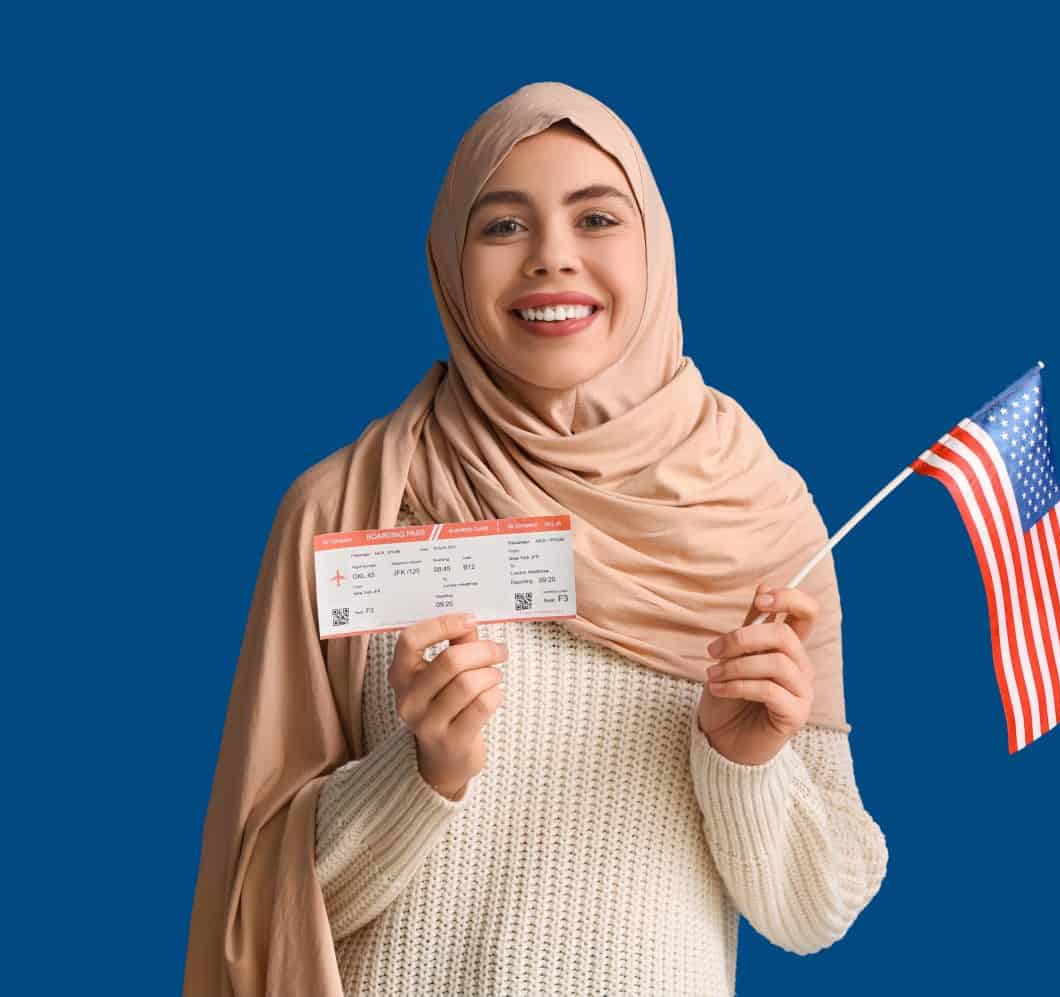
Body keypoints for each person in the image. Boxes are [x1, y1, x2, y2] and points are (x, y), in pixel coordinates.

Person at [182, 81, 889, 996]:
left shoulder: (755, 516)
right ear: (448, 260)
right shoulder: (347, 504)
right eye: (503, 226)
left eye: (596, 218)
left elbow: (813, 911)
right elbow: (258, 909)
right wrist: (420, 770)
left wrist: (743, 762)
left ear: (656, 247)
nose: (552, 259)